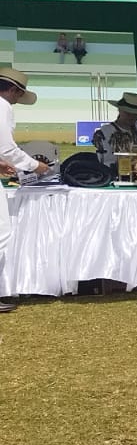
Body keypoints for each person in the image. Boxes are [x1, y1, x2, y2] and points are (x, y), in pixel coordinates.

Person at [0, 68, 50, 313]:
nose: (18, 100)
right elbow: (7, 148)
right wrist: (35, 166)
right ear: (13, 90)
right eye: (19, 95)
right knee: (2, 234)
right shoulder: (3, 106)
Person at [92, 92, 137, 167]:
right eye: (128, 113)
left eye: (135, 114)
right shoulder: (106, 131)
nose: (132, 117)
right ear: (119, 110)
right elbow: (105, 160)